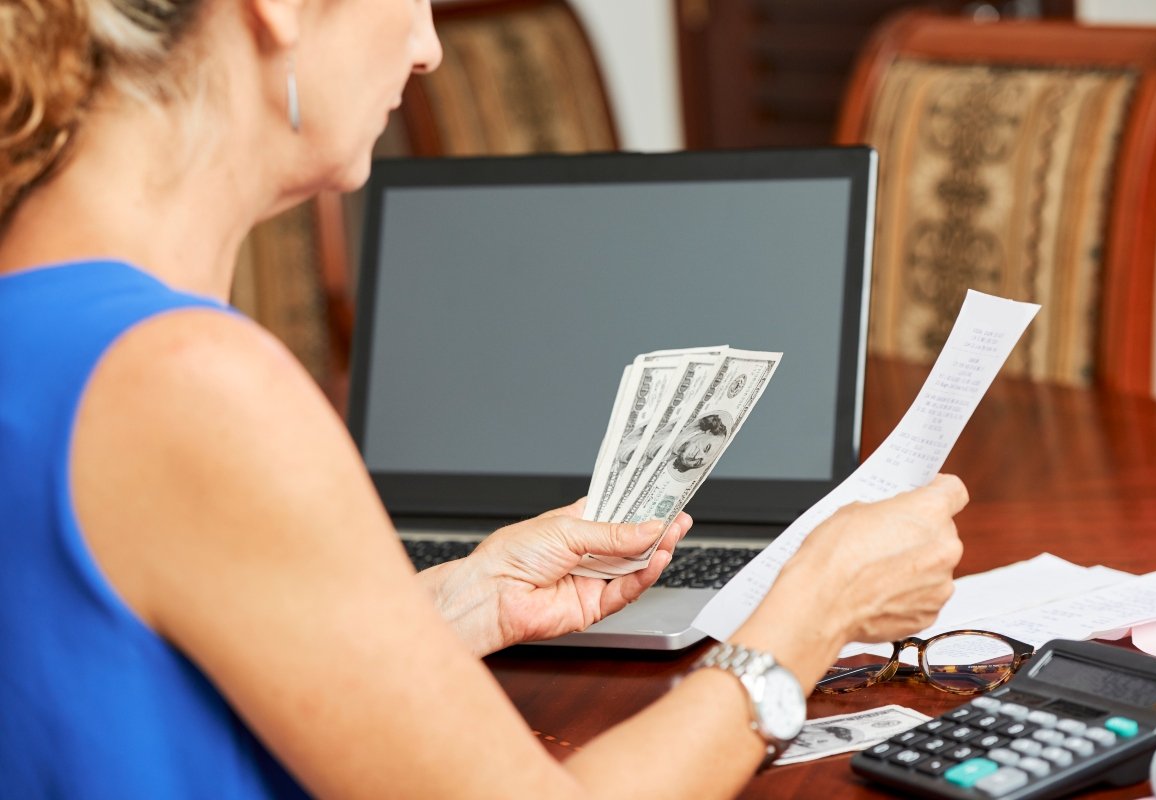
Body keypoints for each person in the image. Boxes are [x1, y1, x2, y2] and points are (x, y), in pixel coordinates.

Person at [0, 0, 968, 797]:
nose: (425, 50)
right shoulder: (190, 382)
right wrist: (812, 611)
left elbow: (127, 673)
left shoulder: (48, 330)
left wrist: (465, 596)